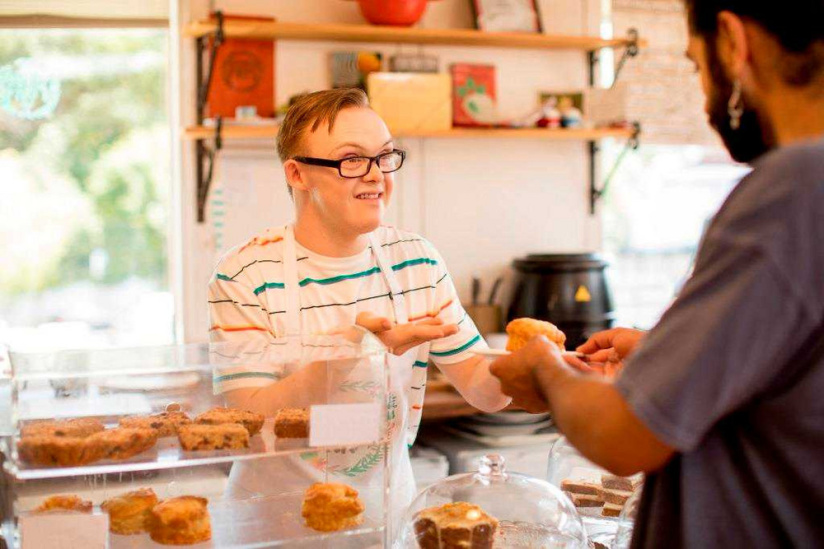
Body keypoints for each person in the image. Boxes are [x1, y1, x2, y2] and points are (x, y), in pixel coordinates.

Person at [490, 0, 824, 546]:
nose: (704, 96)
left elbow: (626, 440)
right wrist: (660, 353)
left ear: (731, 40)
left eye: (695, 67)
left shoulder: (795, 186)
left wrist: (547, 372)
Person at [207, 88, 510, 532]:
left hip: (383, 523)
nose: (375, 176)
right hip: (273, 529)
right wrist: (358, 347)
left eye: (384, 157)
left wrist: (542, 365)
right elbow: (252, 424)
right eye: (352, 160)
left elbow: (484, 390)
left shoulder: (417, 261)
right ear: (298, 174)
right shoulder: (244, 273)